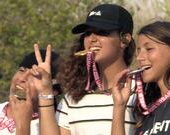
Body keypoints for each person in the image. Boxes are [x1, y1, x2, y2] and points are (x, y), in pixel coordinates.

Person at [21, 3, 137, 135]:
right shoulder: (73, 97)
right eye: (88, 33)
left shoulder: (142, 91)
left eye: (102, 32)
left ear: (125, 39)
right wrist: (45, 91)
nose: (92, 39)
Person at [111, 21, 170, 135]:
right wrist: (119, 106)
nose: (139, 58)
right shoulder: (149, 109)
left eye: (149, 49)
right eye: (138, 50)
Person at [0, 49, 60, 135]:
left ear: (53, 91)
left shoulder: (54, 128)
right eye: (22, 70)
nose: (22, 79)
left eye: (35, 76)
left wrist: (22, 126)